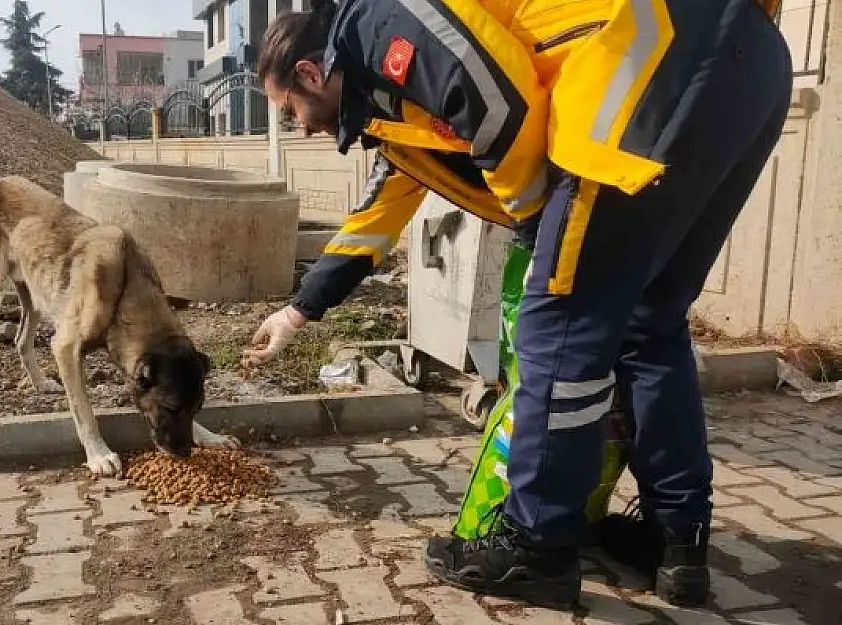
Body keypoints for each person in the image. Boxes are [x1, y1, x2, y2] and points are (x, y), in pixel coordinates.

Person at [244, 0, 792, 610]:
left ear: (311, 75)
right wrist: (296, 314)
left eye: (288, 110)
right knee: (650, 323)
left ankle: (537, 546)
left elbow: (498, 103)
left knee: (559, 325)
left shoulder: (381, 24)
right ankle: (676, 541)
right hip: (741, 63)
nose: (298, 128)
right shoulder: (390, 108)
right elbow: (376, 218)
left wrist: (538, 230)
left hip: (647, 68)